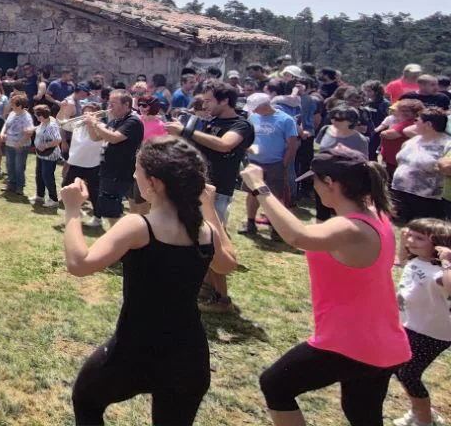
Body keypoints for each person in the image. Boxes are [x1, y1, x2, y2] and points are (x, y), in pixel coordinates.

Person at [61, 136, 237, 425]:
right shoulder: (205, 230)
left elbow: (79, 264)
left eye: (137, 170)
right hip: (188, 355)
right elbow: (227, 264)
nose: (134, 176)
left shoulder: (138, 226)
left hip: (134, 351)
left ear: (154, 183)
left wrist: (72, 210)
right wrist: (209, 209)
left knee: (87, 398)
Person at [248, 148, 410, 426]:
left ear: (330, 183)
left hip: (349, 343)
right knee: (362, 414)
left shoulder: (351, 229)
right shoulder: (376, 217)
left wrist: (259, 186)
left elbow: (298, 236)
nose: (314, 187)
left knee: (275, 384)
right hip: (383, 343)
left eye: (315, 181)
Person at [166, 80, 254, 314]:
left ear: (225, 100)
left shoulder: (241, 125)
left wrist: (186, 131)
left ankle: (222, 299)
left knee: (213, 244)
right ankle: (204, 288)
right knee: (196, 240)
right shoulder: (208, 123)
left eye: (209, 101)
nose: (205, 105)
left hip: (217, 192)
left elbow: (225, 145)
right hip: (197, 188)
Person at [392, 219, 451, 426]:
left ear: (439, 245)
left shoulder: (441, 272)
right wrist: (403, 241)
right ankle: (421, 409)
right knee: (400, 369)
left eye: (419, 238)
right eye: (410, 236)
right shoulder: (417, 260)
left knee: (409, 373)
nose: (411, 241)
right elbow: (402, 259)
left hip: (433, 333)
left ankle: (424, 420)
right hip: (410, 325)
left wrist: (447, 262)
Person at [238, 93, 300, 240]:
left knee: (276, 197)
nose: (253, 111)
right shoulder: (253, 117)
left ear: (264, 105)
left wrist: (284, 165)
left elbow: (292, 146)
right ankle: (250, 223)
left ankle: (276, 228)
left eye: (255, 108)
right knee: (252, 193)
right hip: (254, 162)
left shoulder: (286, 120)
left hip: (275, 163)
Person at [81, 90, 144, 228]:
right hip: (108, 170)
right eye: (109, 103)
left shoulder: (132, 121)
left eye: (114, 103)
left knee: (111, 208)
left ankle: (119, 236)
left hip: (119, 172)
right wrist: (90, 125)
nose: (109, 107)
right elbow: (96, 137)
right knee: (108, 207)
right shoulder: (115, 121)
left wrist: (95, 123)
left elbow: (115, 138)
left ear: (126, 104)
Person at [391, 109, 451, 223]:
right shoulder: (413, 140)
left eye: (417, 120)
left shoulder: (447, 144)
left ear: (428, 124)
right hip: (401, 192)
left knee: (423, 229)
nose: (414, 123)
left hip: (427, 199)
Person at [0, 95, 33, 196]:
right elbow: (6, 124)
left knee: (19, 167)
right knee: (10, 165)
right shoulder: (12, 113)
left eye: (13, 104)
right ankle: (11, 185)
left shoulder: (27, 117)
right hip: (9, 144)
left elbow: (30, 132)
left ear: (19, 106)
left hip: (21, 147)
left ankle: (19, 187)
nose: (11, 106)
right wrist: (2, 133)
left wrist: (20, 143)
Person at [32, 105, 63, 206]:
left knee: (47, 176)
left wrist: (45, 146)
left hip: (49, 155)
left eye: (36, 115)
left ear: (41, 115)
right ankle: (40, 196)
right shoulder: (43, 123)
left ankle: (53, 199)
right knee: (39, 175)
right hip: (40, 154)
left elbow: (58, 139)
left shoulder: (52, 126)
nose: (35, 116)